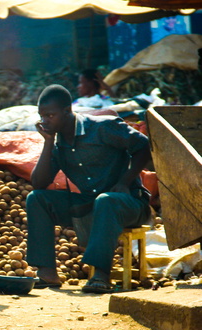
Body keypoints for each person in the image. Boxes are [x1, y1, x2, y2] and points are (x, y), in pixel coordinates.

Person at [26, 85, 151, 293]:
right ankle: (47, 273)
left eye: (50, 115)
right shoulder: (58, 144)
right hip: (89, 205)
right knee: (36, 198)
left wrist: (126, 181)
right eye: (42, 116)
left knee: (106, 200)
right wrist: (48, 143)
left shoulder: (103, 127)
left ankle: (100, 275)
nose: (45, 121)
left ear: (67, 111)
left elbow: (144, 146)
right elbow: (39, 183)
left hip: (128, 204)